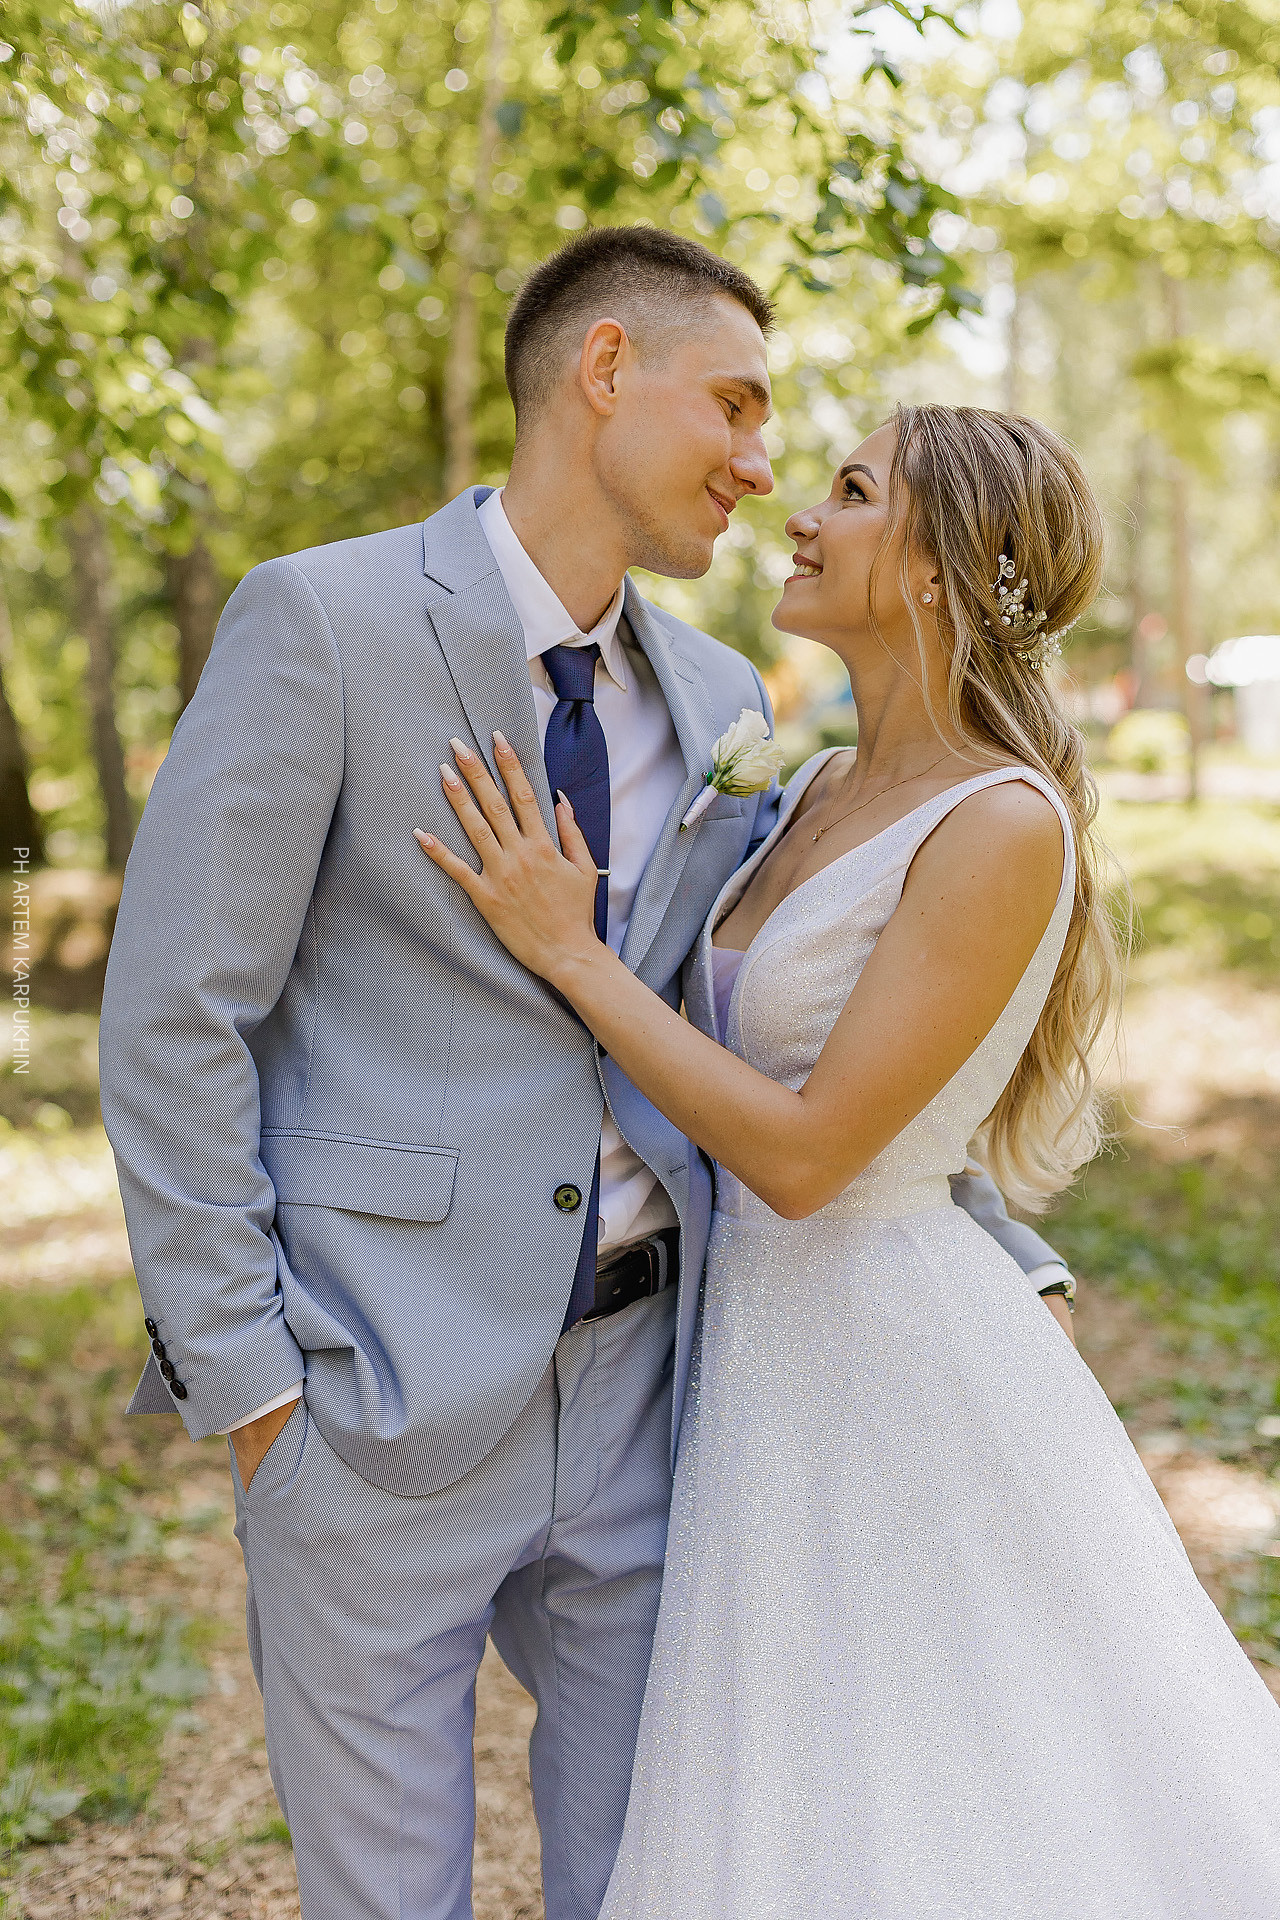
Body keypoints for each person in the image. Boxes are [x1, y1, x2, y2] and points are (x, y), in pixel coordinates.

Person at [98, 226, 1072, 1920]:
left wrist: (996, 1240)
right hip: (366, 1396)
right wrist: (253, 1392)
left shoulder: (718, 696)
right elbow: (177, 1012)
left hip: (653, 1402)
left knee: (662, 1876)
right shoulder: (322, 623)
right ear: (607, 372)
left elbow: (795, 1012)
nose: (766, 466)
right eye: (740, 405)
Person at [418, 402, 1280, 1918]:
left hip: (895, 1362)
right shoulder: (804, 789)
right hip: (755, 1350)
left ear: (942, 566)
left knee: (940, 1781)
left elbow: (814, 1156)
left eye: (852, 490)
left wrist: (574, 955)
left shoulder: (1003, 824)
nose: (798, 513)